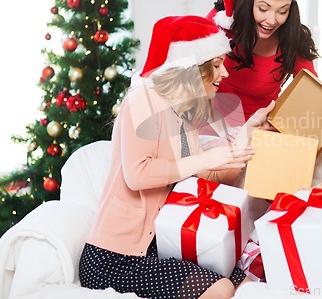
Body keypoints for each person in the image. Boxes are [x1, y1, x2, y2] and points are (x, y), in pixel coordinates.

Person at [78, 15, 274, 299]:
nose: (225, 74)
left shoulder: (183, 117)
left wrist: (248, 130)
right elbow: (137, 174)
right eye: (217, 65)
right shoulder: (142, 100)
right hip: (113, 259)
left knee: (246, 283)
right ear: (191, 69)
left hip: (163, 247)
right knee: (220, 288)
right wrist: (203, 160)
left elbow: (213, 176)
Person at [206, 0, 320, 121]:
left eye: (283, 11)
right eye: (263, 9)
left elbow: (311, 92)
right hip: (211, 128)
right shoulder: (220, 22)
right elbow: (188, 77)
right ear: (248, 3)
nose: (271, 20)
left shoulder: (293, 39)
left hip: (261, 133)